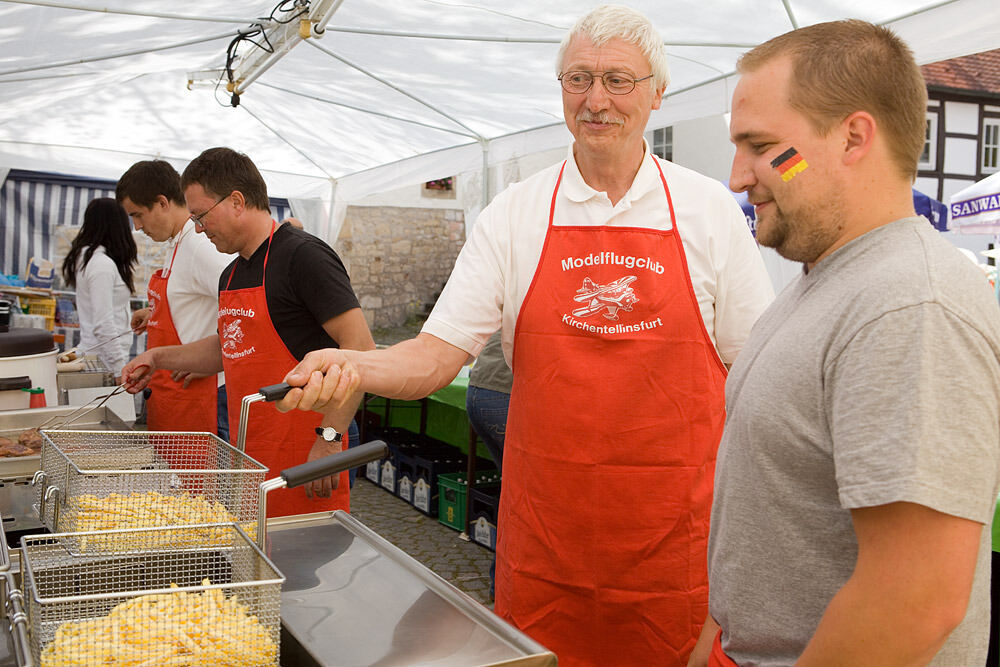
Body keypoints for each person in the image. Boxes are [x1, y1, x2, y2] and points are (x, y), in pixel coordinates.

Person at [274, 5, 774, 664]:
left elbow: (759, 376)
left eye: (618, 80)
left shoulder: (707, 207)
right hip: (548, 554)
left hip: (676, 556)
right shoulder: (516, 211)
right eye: (578, 79)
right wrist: (350, 365)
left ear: (657, 93)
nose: (596, 100)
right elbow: (432, 358)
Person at [694, 20, 1000, 667]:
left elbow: (915, 597)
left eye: (762, 145)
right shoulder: (827, 282)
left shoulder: (909, 304)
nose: (737, 175)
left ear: (854, 137)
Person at [121, 147, 376, 517]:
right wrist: (157, 357)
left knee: (307, 564)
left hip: (308, 450)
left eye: (201, 215)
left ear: (237, 201)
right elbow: (230, 347)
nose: (196, 227)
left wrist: (330, 438)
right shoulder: (232, 273)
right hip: (252, 453)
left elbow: (361, 350)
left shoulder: (304, 256)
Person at [116, 160, 235, 440]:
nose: (136, 227)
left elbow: (243, 306)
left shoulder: (200, 246)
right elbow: (197, 299)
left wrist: (216, 360)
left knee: (198, 483)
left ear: (162, 203)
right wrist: (154, 312)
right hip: (174, 393)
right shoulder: (177, 241)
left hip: (203, 398)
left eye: (138, 215)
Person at [60, 198, 136, 380]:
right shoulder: (101, 264)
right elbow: (103, 323)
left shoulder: (90, 259)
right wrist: (119, 368)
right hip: (104, 363)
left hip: (100, 358)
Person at [465, 330, 513, 600]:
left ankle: (501, 586)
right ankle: (505, 588)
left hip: (480, 391)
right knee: (522, 496)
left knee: (511, 491)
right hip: (502, 393)